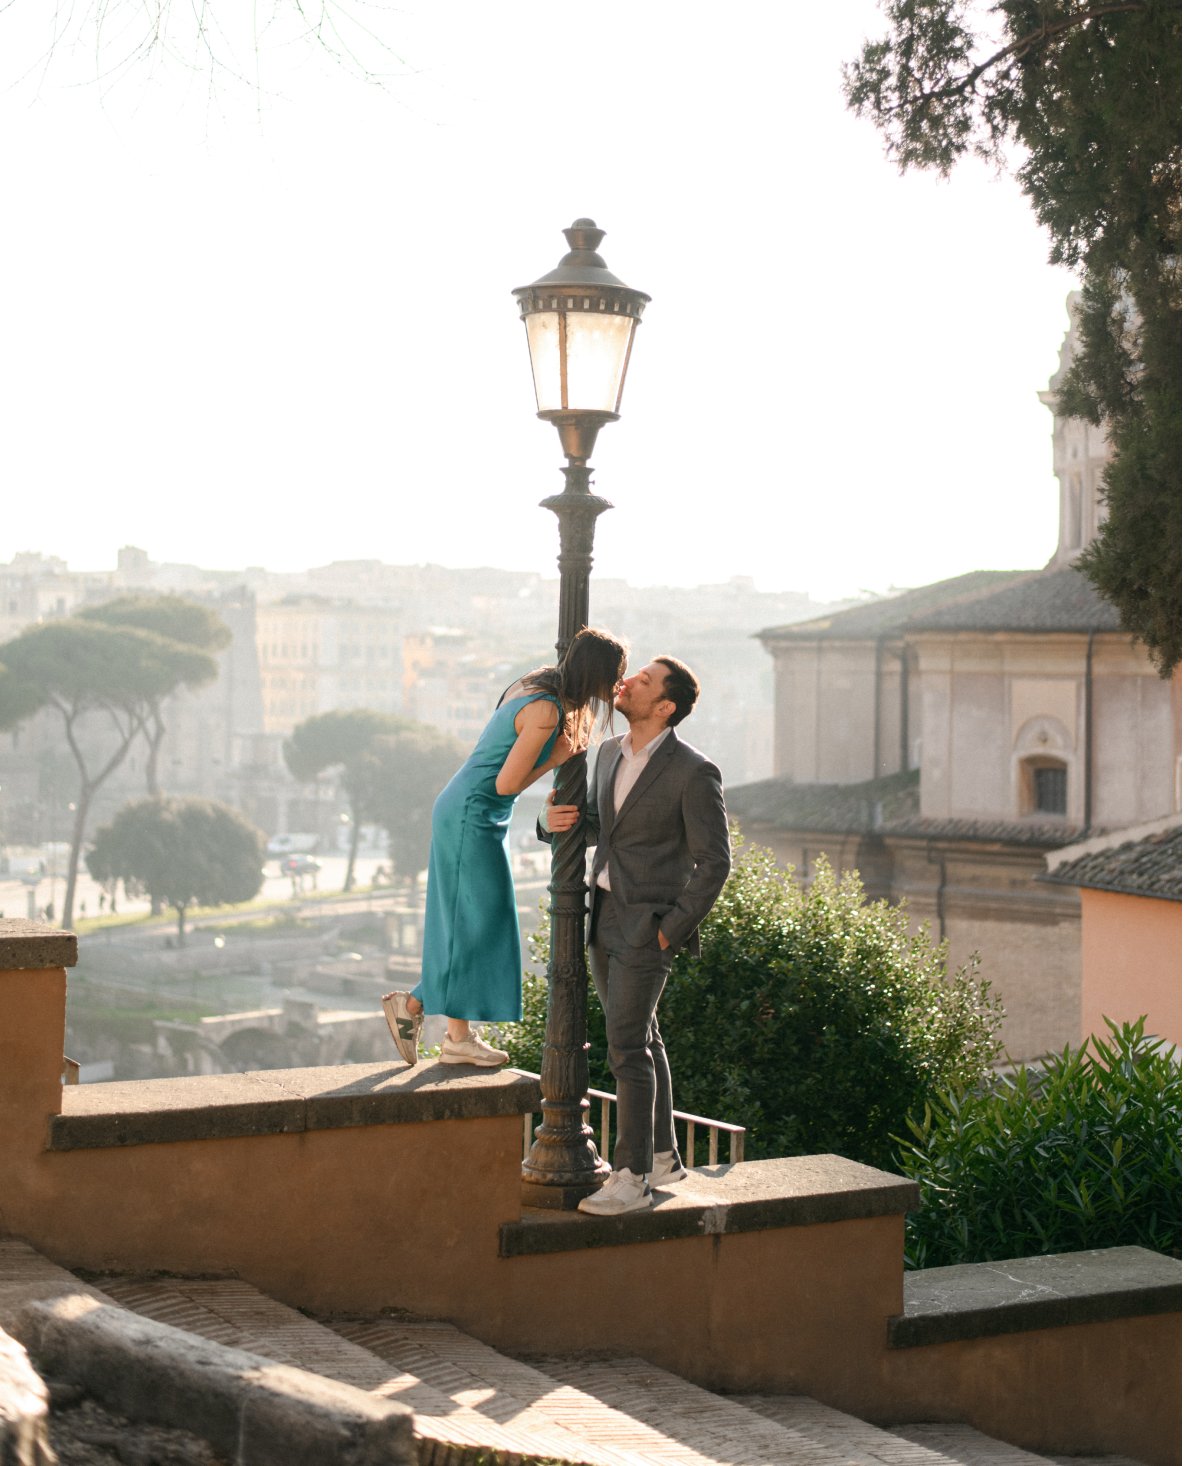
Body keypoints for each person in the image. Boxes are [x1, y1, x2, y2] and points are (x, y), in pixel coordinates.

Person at [383, 627, 628, 1069]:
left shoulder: (535, 684)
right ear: (597, 674)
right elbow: (507, 783)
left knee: (477, 921)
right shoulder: (547, 710)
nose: (618, 685)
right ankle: (444, 1028)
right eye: (615, 676)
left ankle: (431, 1016)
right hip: (473, 814)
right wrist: (555, 759)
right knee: (477, 922)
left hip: (473, 811)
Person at [542, 655, 730, 1216]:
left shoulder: (694, 772)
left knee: (625, 1048)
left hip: (647, 926)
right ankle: (664, 1156)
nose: (627, 682)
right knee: (643, 1036)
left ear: (665, 706)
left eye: (643, 681)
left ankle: (631, 1178)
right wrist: (549, 822)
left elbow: (715, 863)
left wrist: (671, 930)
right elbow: (600, 827)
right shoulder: (606, 754)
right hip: (601, 914)